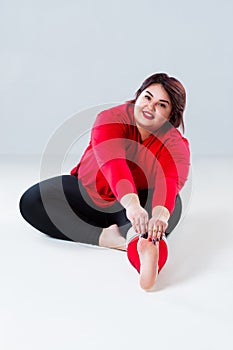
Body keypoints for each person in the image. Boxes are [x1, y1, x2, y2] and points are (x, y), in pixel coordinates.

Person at [19, 73, 190, 292]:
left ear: (171, 115)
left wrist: (159, 216)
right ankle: (107, 238)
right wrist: (132, 206)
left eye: (161, 105)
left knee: (163, 216)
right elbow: (114, 164)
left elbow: (170, 179)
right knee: (32, 200)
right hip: (88, 193)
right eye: (147, 97)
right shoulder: (110, 118)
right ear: (138, 96)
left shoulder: (175, 143)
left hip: (137, 203)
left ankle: (144, 254)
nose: (150, 107)